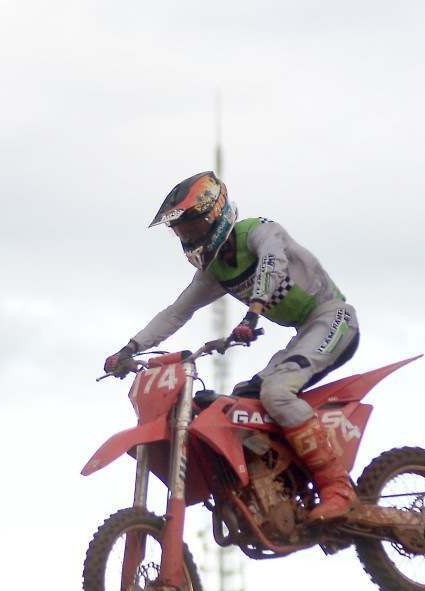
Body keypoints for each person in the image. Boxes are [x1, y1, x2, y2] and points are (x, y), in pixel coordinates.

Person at [103, 171, 360, 522]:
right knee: (240, 404)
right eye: (180, 231)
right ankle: (279, 486)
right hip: (304, 333)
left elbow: (273, 262)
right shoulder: (215, 272)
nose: (186, 237)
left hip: (333, 318)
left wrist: (252, 314)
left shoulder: (258, 231)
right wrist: (129, 349)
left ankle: (339, 489)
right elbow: (177, 312)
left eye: (190, 227)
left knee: (278, 394)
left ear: (213, 215)